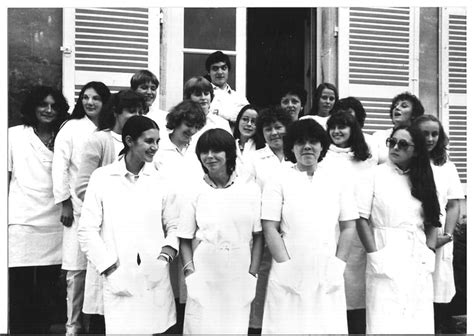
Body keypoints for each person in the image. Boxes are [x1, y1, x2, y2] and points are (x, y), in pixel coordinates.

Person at [78, 115, 178, 334]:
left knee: (154, 328)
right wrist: (109, 268)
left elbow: (174, 225)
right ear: (130, 141)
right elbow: (87, 231)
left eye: (157, 142)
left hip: (154, 275)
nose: (155, 147)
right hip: (117, 273)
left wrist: (163, 258)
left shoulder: (161, 179)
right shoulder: (103, 178)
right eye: (149, 141)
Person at [261, 118, 359, 334]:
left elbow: (349, 226)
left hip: (326, 267)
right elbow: (269, 227)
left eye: (313, 141)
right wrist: (285, 267)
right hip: (289, 266)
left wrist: (338, 265)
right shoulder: (278, 178)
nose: (307, 146)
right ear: (292, 147)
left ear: (322, 146)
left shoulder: (337, 179)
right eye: (300, 142)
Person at [357, 124, 441, 334]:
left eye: (403, 144)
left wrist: (430, 252)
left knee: (416, 319)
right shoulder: (374, 175)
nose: (395, 147)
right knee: (384, 320)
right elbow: (361, 220)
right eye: (391, 142)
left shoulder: (424, 177)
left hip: (417, 254)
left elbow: (432, 220)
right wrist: (374, 255)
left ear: (417, 150)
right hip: (385, 250)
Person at [178, 128, 262, 334]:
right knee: (201, 327)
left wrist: (252, 272)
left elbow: (259, 237)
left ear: (229, 153)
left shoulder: (249, 189)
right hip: (205, 269)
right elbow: (184, 238)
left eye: (216, 151)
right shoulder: (194, 189)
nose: (209, 157)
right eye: (204, 152)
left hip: (239, 269)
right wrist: (190, 273)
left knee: (233, 327)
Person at [74, 89, 144, 332]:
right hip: (107, 228)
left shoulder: (141, 142)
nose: (137, 116)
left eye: (141, 111)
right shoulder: (100, 140)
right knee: (106, 296)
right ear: (116, 112)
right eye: (132, 111)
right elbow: (82, 186)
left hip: (134, 230)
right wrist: (113, 205)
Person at [8, 85, 69, 334]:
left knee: (47, 286)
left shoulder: (64, 136)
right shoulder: (13, 135)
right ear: (33, 107)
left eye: (54, 106)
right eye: (43, 104)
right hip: (21, 218)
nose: (48, 110)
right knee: (19, 285)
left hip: (55, 220)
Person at [52, 81, 111, 335]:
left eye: (96, 98)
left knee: (102, 268)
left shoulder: (110, 129)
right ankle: (73, 326)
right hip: (76, 208)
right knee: (76, 272)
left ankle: (95, 325)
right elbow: (60, 165)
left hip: (106, 209)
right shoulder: (72, 127)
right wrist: (64, 201)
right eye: (85, 97)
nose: (90, 102)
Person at [324, 112, 375, 334]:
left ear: (353, 129)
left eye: (342, 127)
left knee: (355, 286)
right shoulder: (324, 156)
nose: (337, 132)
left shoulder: (366, 158)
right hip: (331, 225)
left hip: (359, 227)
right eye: (333, 127)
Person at [414, 115, 465, 333]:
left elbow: (453, 204)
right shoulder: (409, 162)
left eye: (434, 133)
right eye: (424, 133)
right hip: (415, 230)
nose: (430, 138)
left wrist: (447, 235)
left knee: (438, 287)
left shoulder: (447, 166)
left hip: (440, 234)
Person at [246, 106, 293, 332]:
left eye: (278, 127)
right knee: (263, 278)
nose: (274, 133)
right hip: (264, 230)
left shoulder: (297, 156)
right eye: (268, 129)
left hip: (293, 230)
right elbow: (248, 195)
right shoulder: (255, 159)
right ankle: (257, 327)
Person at [371, 92, 424, 164]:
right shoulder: (378, 136)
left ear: (413, 114)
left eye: (404, 106)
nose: (397, 108)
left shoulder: (419, 138)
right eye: (395, 106)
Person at [183, 76, 232, 150]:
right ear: (189, 98)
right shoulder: (181, 123)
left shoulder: (221, 123)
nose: (203, 98)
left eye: (206, 94)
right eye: (198, 94)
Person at [206, 50, 249, 124]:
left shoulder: (239, 97)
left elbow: (248, 118)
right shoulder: (204, 95)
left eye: (223, 68)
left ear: (228, 70)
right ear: (209, 72)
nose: (220, 72)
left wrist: (217, 113)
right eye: (215, 68)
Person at [333, 96, 379, 165]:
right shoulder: (333, 139)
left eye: (349, 112)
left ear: (358, 115)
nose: (345, 116)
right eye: (341, 113)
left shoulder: (370, 141)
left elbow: (372, 164)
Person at [232, 104, 259, 174]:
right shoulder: (229, 145)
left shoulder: (263, 148)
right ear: (238, 121)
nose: (249, 124)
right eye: (245, 119)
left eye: (253, 121)